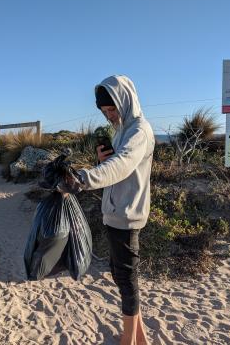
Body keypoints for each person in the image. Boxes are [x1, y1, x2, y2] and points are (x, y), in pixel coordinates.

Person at [63, 75, 154, 345]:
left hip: (127, 215)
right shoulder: (121, 129)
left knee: (127, 281)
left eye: (112, 109)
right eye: (104, 112)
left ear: (124, 100)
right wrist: (102, 160)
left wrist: (82, 178)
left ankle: (128, 342)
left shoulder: (139, 130)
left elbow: (124, 165)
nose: (109, 115)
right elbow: (116, 165)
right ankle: (140, 337)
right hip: (115, 212)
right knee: (120, 276)